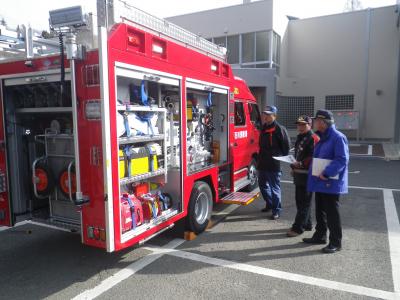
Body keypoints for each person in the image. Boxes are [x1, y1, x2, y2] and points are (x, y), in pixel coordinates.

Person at [303, 109, 349, 254]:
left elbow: (342, 159)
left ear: (323, 122)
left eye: (316, 120)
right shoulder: (322, 136)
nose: (314, 122)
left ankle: (336, 242)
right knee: (320, 210)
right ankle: (320, 235)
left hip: (330, 181)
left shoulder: (337, 137)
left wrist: (327, 172)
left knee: (331, 213)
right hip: (320, 180)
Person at [287, 115, 319, 237]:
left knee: (303, 202)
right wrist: (294, 168)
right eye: (298, 124)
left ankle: (298, 228)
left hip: (308, 175)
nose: (300, 127)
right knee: (302, 202)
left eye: (303, 124)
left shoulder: (313, 138)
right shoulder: (301, 137)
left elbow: (313, 157)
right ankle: (307, 224)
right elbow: (298, 154)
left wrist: (299, 164)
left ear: (309, 125)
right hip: (299, 174)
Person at [257, 105, 290, 220]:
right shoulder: (263, 127)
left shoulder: (280, 129)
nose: (265, 116)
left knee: (274, 188)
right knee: (262, 185)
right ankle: (270, 203)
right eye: (264, 114)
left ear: (274, 116)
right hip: (262, 162)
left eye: (268, 115)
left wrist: (278, 157)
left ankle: (276, 210)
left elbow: (286, 147)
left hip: (273, 164)